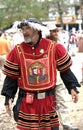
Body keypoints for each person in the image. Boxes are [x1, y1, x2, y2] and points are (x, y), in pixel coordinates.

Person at [1, 18, 80, 130]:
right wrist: (8, 97)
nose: (24, 32)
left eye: (27, 28)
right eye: (23, 29)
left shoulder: (54, 47)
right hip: (27, 103)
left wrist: (72, 87)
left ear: (37, 30)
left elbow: (65, 70)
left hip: (48, 102)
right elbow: (11, 77)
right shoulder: (17, 51)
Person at [46, 23, 79, 130]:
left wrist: (72, 86)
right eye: (53, 31)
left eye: (56, 31)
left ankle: (67, 125)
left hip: (57, 79)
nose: (56, 33)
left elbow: (65, 69)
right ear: (47, 33)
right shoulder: (41, 46)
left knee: (61, 102)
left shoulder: (58, 46)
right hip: (44, 81)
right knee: (47, 105)